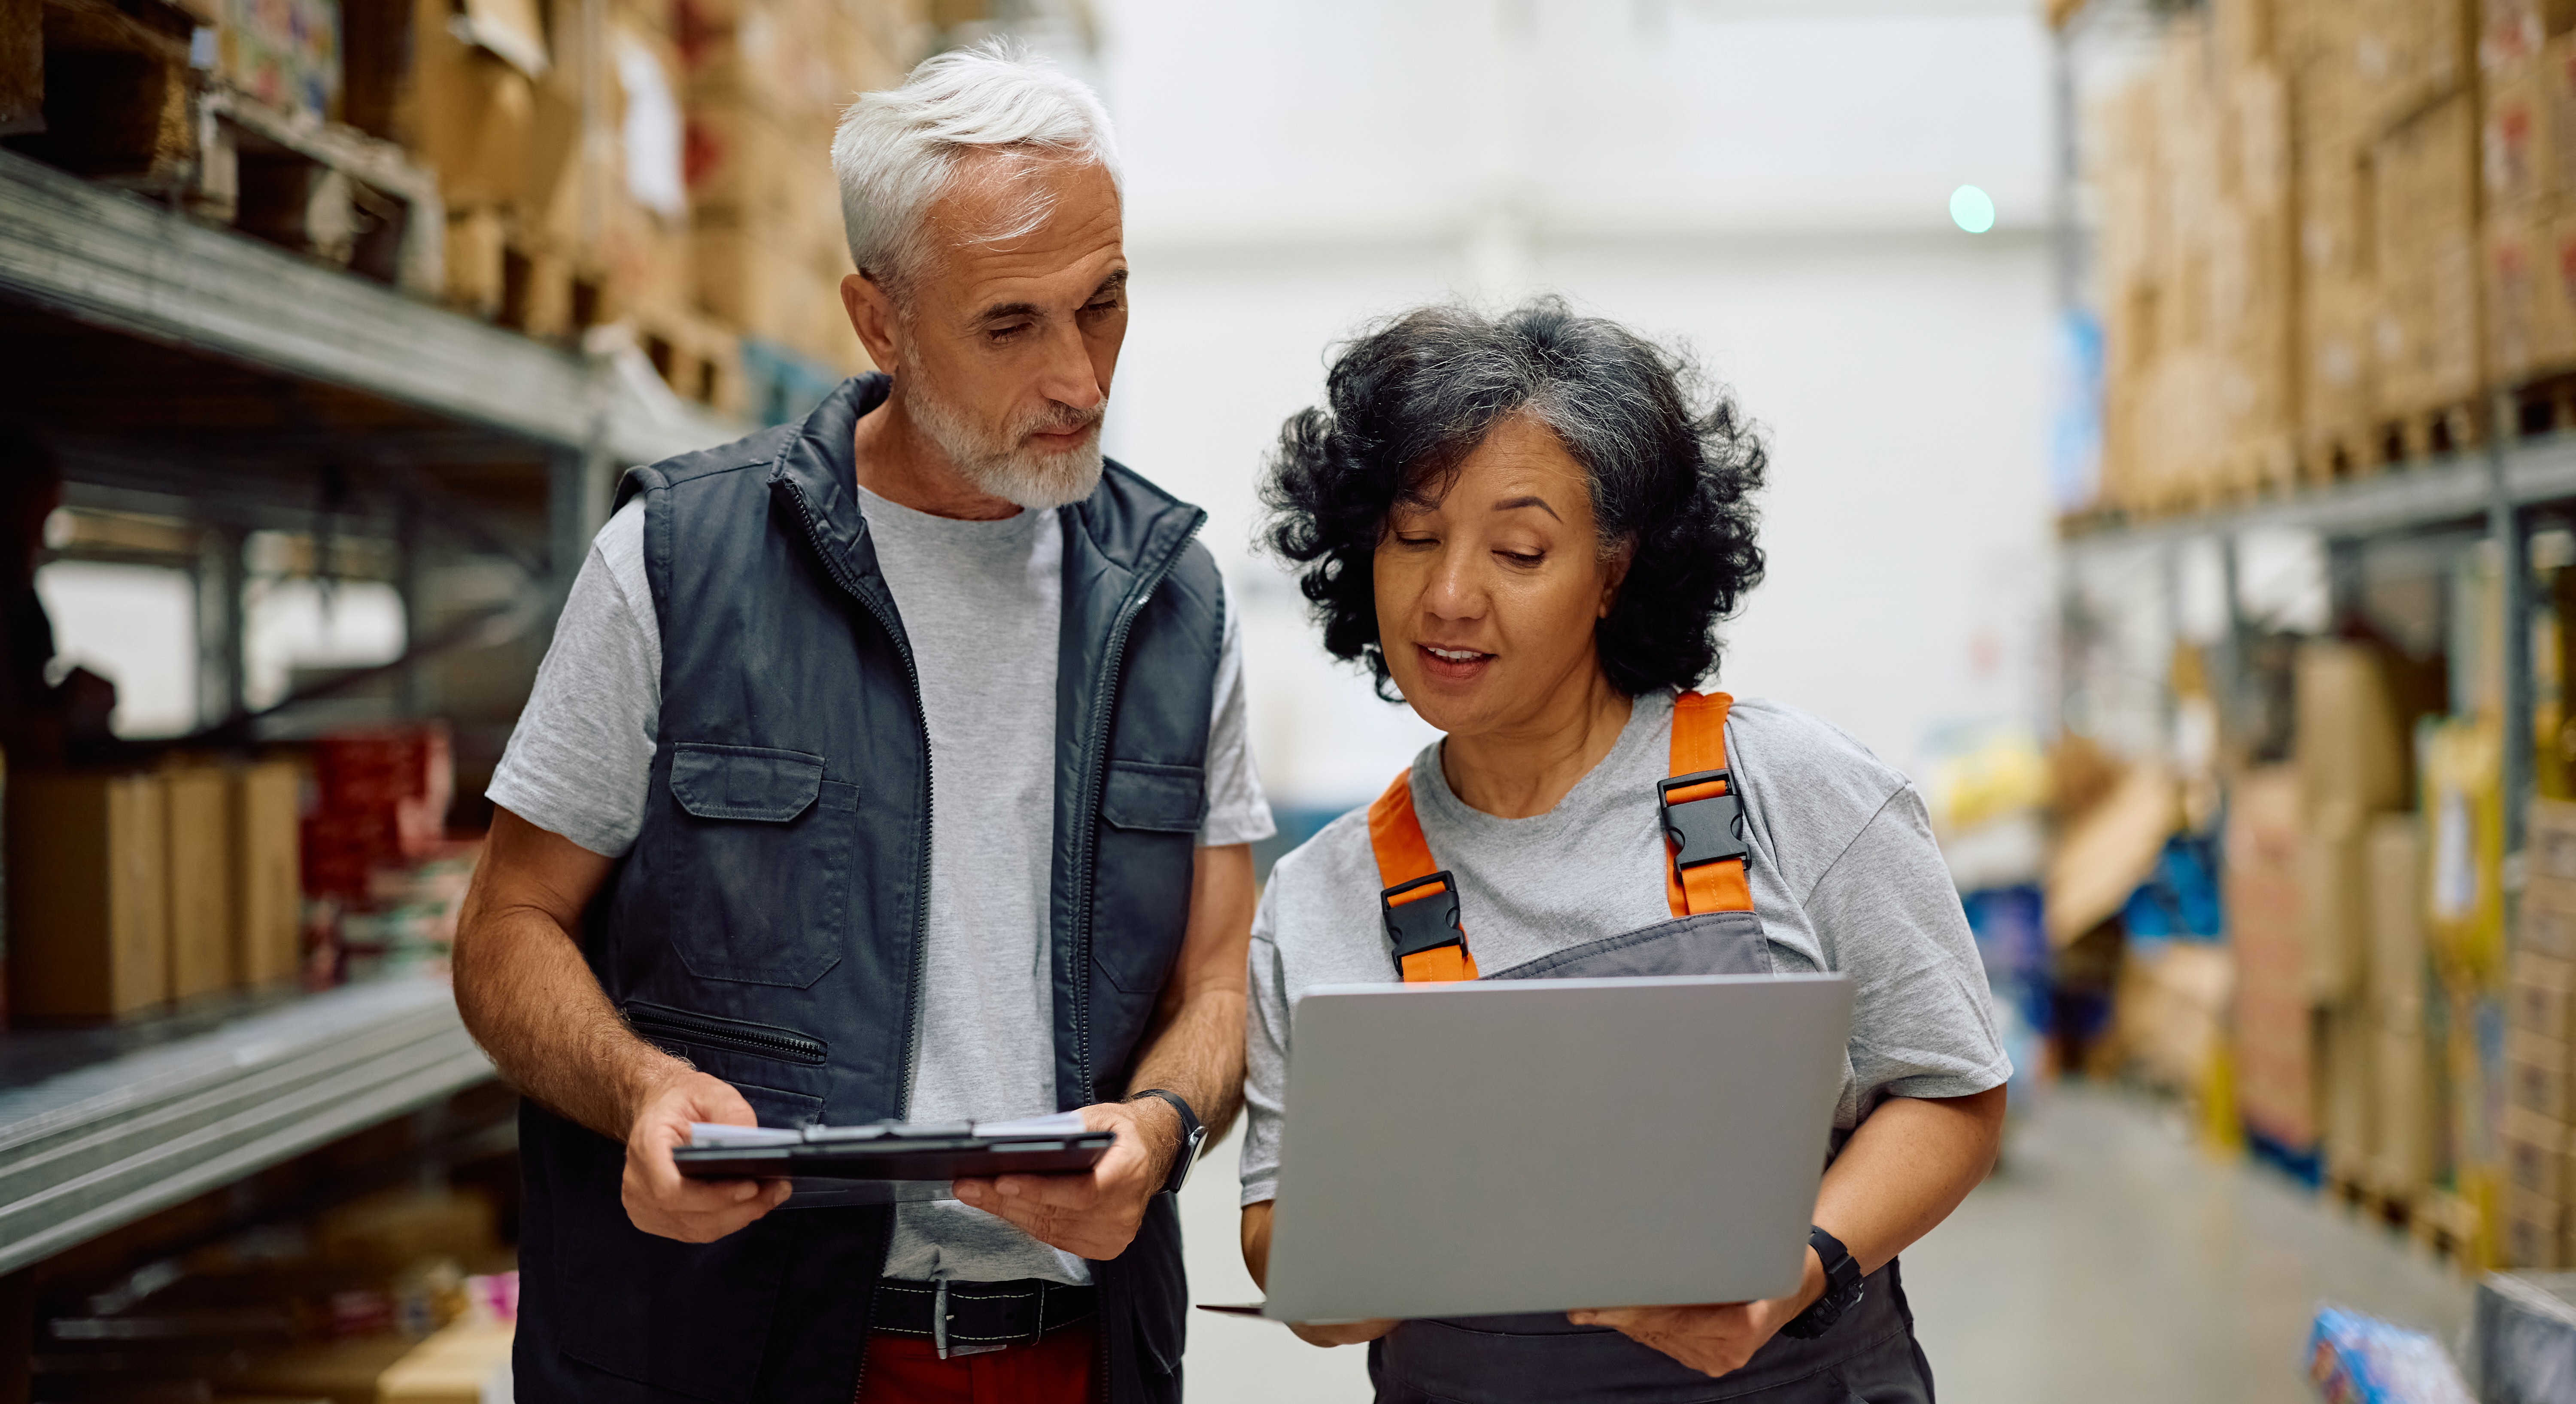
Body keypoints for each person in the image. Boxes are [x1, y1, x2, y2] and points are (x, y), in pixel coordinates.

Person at [450, 41, 1271, 1404]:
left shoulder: (1174, 604)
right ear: (879, 321)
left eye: (1107, 305)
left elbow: (1221, 977)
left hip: (1071, 1361)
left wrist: (1166, 1120)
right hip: (733, 1350)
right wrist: (641, 1090)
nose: (1081, 375)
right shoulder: (678, 563)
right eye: (1012, 324)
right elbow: (504, 926)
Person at [1237, 301, 2009, 1403]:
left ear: (1613, 571)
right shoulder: (1324, 895)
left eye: (1519, 550)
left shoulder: (1796, 792)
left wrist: (1797, 1271)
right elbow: (1285, 1252)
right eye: (1413, 537)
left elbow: (1952, 1093)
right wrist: (1400, 1244)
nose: (1450, 596)